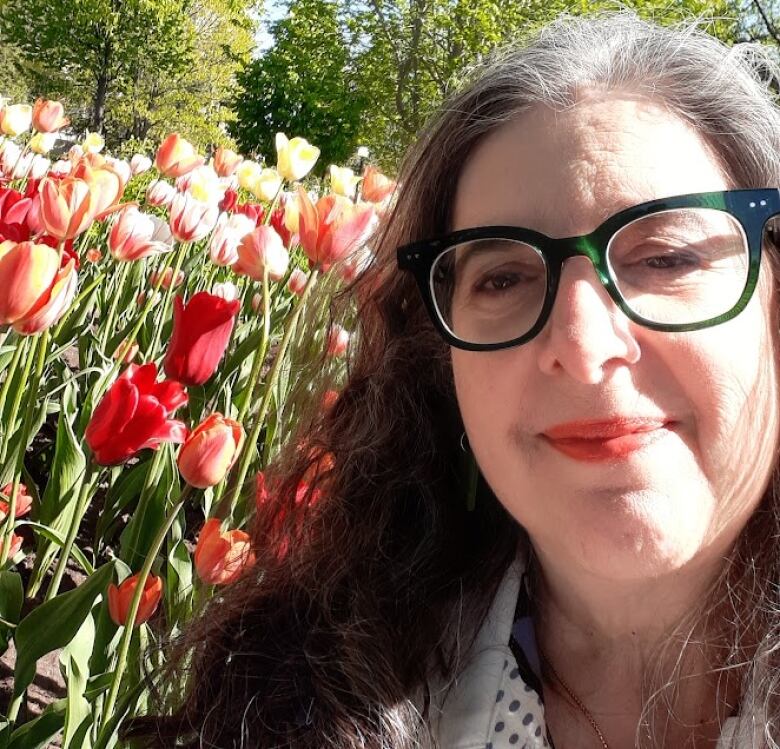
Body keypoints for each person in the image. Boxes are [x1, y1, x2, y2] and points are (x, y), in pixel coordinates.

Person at [128, 11, 780, 748]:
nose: (583, 344)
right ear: (438, 361)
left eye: (666, 258)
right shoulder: (294, 704)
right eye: (503, 276)